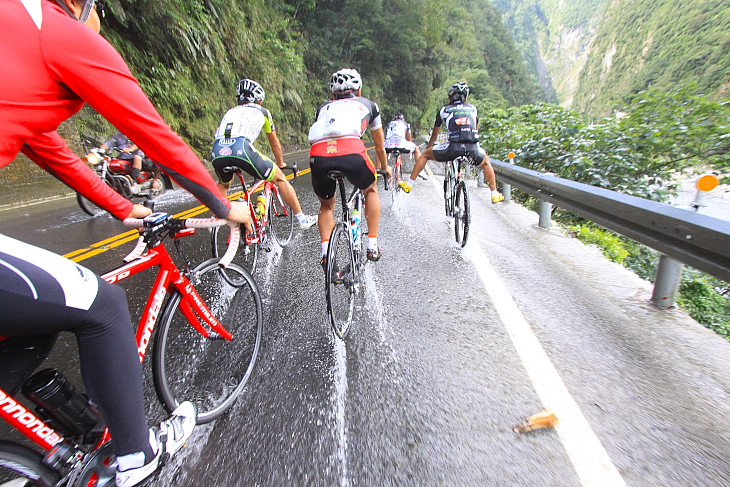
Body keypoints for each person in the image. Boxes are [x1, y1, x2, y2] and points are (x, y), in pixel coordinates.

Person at [1, 1, 250, 486]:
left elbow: (50, 148)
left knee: (43, 315)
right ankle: (137, 456)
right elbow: (157, 139)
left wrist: (125, 208)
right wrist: (223, 206)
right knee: (106, 304)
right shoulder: (57, 31)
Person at [308, 68, 391, 264]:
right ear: (359, 90)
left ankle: (326, 253)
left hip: (319, 156)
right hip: (352, 152)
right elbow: (380, 147)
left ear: (333, 94)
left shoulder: (323, 108)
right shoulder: (369, 105)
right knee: (370, 190)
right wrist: (385, 168)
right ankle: (372, 246)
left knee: (326, 205)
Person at [211, 78, 317, 230]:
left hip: (217, 151)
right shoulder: (263, 112)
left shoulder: (230, 112)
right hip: (241, 148)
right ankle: (302, 220)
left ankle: (213, 221)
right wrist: (280, 163)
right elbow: (274, 143)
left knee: (224, 184)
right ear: (258, 100)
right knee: (280, 178)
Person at [398, 82, 504, 203]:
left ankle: (409, 184)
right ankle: (494, 194)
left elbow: (435, 135)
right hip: (472, 148)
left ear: (449, 99)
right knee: (486, 163)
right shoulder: (473, 109)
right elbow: (475, 130)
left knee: (425, 155)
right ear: (466, 98)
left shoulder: (444, 110)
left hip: (452, 148)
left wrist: (429, 147)